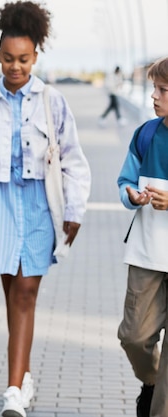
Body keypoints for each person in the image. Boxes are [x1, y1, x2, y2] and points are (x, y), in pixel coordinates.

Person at [0, 2, 91, 417]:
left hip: (39, 204)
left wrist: (75, 209)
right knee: (11, 294)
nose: (16, 66)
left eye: (24, 59)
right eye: (8, 58)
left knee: (27, 292)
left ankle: (14, 389)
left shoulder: (53, 102)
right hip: (0, 203)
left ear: (36, 56)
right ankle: (25, 375)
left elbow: (73, 158)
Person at [116, 56, 168, 417]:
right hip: (147, 255)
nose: (154, 96)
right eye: (153, 88)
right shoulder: (146, 134)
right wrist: (131, 194)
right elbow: (125, 181)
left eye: (163, 89)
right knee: (133, 337)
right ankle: (151, 385)